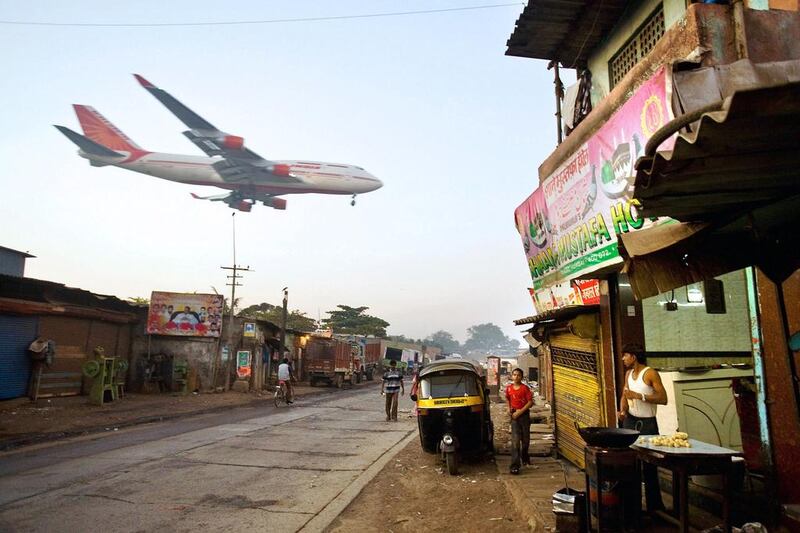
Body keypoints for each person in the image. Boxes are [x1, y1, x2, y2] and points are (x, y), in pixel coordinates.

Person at [618, 343, 667, 513]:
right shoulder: (628, 374)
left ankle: (655, 507)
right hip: (630, 422)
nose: (623, 359)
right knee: (631, 465)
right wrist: (622, 410)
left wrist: (640, 396)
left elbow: (663, 398)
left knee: (650, 466)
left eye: (626, 355)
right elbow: (625, 395)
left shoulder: (650, 373)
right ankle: (634, 507)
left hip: (648, 424)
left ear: (634, 356)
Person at [505, 368, 533, 475]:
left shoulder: (525, 389)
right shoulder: (509, 389)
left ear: (522, 377)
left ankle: (525, 456)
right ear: (511, 376)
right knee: (515, 441)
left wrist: (520, 412)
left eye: (518, 375)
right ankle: (515, 465)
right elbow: (508, 399)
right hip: (514, 417)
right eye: (514, 375)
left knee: (525, 441)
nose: (516, 377)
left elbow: (530, 403)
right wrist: (509, 409)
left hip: (524, 416)